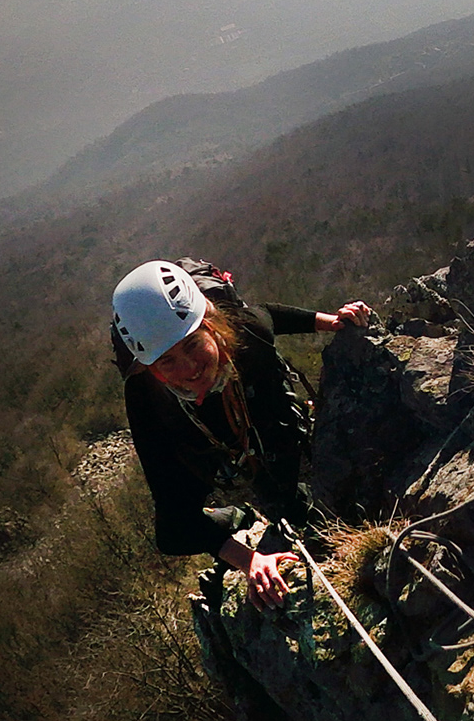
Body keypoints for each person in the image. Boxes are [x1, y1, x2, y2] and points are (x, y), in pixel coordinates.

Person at [111, 258, 370, 607]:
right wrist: (250, 561)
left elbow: (269, 316)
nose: (189, 369)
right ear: (150, 369)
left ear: (211, 325)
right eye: (167, 361)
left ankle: (289, 503)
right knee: (242, 500)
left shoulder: (245, 332)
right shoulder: (147, 401)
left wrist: (332, 321)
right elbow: (173, 525)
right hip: (202, 436)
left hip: (251, 397)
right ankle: (241, 517)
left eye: (192, 344)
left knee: (284, 473)